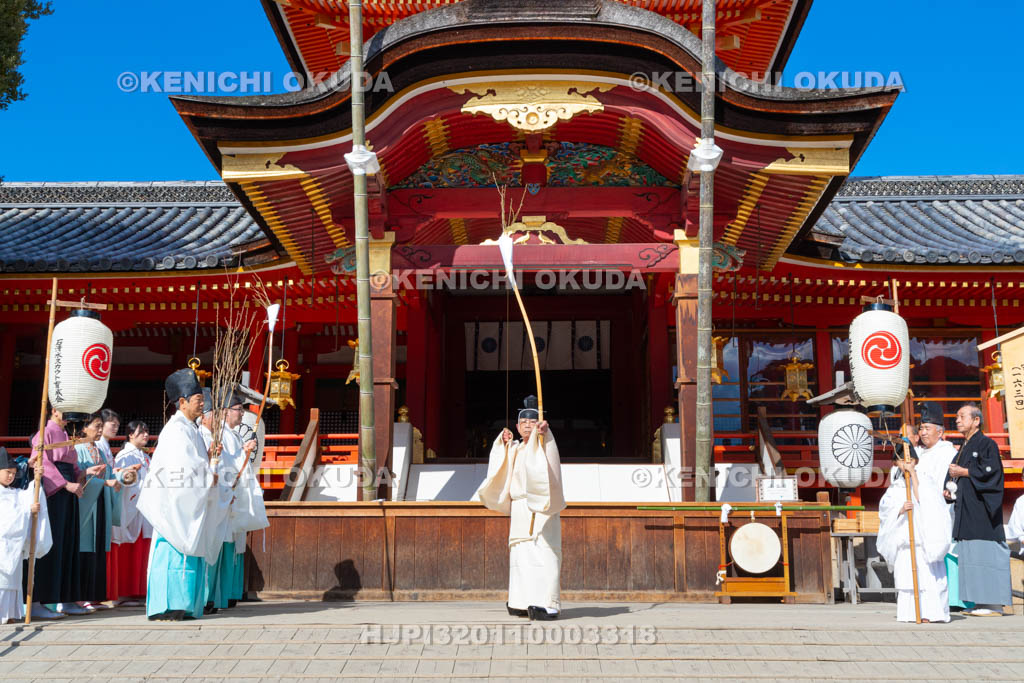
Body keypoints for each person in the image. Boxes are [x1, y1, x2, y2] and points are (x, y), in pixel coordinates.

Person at [137, 369, 231, 621]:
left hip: (189, 502)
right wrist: (207, 473)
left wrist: (211, 461)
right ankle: (168, 606)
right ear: (182, 402)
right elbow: (182, 469)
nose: (202, 404)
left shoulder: (192, 429)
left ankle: (186, 604)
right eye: (198, 400)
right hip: (174, 507)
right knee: (173, 551)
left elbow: (195, 464)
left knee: (189, 552)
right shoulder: (176, 430)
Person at [475, 395, 565, 620]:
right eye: (523, 422)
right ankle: (521, 601)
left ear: (539, 423)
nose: (527, 425)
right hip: (520, 507)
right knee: (521, 555)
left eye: (532, 421)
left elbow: (546, 446)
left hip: (540, 505)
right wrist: (503, 443)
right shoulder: (515, 448)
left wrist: (545, 432)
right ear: (516, 426)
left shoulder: (543, 442)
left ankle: (548, 604)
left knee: (544, 552)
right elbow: (501, 465)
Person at [27, 405, 105, 619]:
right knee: (50, 544)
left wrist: (83, 473)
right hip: (54, 495)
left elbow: (72, 465)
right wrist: (65, 484)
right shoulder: (46, 432)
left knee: (68, 544)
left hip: (67, 491)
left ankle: (66, 597)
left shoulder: (64, 433)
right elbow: (41, 461)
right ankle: (39, 601)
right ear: (53, 410)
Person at [943, 402, 1011, 616]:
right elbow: (955, 472)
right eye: (956, 416)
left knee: (986, 555)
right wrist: (948, 489)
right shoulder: (963, 446)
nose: (957, 420)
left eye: (962, 416)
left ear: (976, 420)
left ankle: (993, 604)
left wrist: (964, 472)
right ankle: (979, 602)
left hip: (983, 512)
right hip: (967, 511)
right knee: (970, 556)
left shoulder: (987, 444)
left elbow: (992, 474)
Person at [877, 448, 952, 622]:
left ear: (916, 461)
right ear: (896, 464)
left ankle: (932, 613)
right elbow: (885, 512)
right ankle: (910, 613)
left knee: (928, 579)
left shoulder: (926, 481)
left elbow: (931, 505)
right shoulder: (895, 488)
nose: (906, 464)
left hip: (925, 541)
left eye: (909, 460)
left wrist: (914, 477)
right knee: (907, 579)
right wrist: (900, 509)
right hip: (905, 541)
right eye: (902, 461)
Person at [222, 391, 267, 607]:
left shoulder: (235, 435)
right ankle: (218, 595)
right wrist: (242, 451)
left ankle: (229, 592)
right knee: (223, 545)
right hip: (224, 495)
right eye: (239, 410)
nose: (242, 414)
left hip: (235, 494)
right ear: (225, 412)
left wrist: (245, 451)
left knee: (235, 544)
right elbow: (226, 463)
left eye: (242, 410)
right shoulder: (220, 435)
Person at [73, 413, 122, 611]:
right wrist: (104, 481)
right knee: (84, 547)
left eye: (101, 426)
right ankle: (80, 595)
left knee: (98, 547)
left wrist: (120, 477)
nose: (100, 430)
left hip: (100, 501)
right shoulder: (77, 449)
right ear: (84, 428)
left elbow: (109, 474)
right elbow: (77, 476)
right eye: (96, 426)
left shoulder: (98, 451)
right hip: (86, 505)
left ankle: (94, 594)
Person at [0, 447, 52, 624]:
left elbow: (26, 496)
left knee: (12, 581)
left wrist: (36, 480)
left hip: (11, 547)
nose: (11, 476)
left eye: (13, 473)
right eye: (7, 472)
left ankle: (9, 614)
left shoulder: (12, 492)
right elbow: (5, 521)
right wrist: (25, 512)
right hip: (3, 544)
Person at [197, 388, 236, 613]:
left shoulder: (212, 437)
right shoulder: (199, 435)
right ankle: (203, 598)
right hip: (207, 499)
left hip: (218, 496)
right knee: (206, 548)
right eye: (215, 416)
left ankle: (209, 597)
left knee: (214, 549)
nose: (218, 420)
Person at [109, 420, 150, 606]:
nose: (146, 435)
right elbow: (123, 479)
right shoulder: (124, 455)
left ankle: (138, 591)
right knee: (128, 547)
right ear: (131, 435)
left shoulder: (144, 455)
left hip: (143, 505)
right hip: (131, 504)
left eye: (147, 432)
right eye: (141, 432)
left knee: (141, 547)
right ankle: (124, 593)